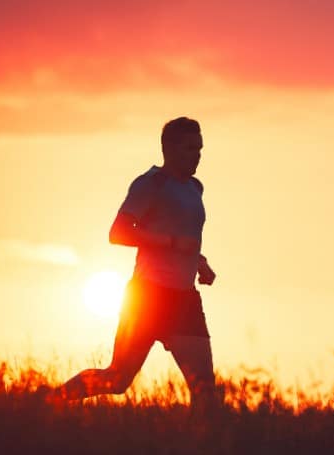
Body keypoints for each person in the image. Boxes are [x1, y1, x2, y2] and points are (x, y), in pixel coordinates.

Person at [46, 116, 218, 408]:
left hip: (185, 300)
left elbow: (185, 233)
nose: (198, 155)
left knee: (204, 390)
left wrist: (199, 262)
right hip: (148, 295)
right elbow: (119, 233)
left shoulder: (195, 188)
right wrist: (172, 243)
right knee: (117, 380)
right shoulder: (151, 184)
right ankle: (46, 402)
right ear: (170, 149)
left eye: (200, 148)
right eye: (191, 149)